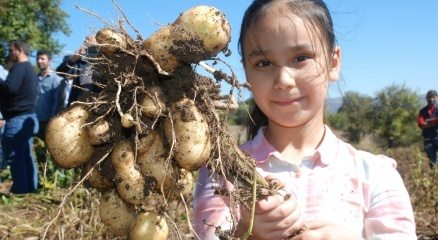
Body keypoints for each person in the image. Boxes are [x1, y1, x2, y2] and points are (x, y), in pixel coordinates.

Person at [193, 0, 416, 239]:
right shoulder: (221, 175)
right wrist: (246, 233)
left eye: (301, 58)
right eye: (263, 63)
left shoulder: (375, 175)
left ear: (333, 62)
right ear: (246, 72)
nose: (283, 80)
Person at [0, 40, 39, 193]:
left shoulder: (19, 68)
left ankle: (20, 190)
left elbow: (10, 88)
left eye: (11, 50)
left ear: (19, 50)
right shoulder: (29, 68)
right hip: (26, 117)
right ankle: (30, 188)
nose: (9, 53)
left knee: (16, 156)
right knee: (26, 155)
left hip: (17, 119)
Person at [56, 35, 96, 106]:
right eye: (87, 43)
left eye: (93, 45)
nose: (90, 47)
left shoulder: (103, 63)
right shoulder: (77, 62)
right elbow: (60, 72)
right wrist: (73, 59)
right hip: (74, 105)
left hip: (94, 105)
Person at [35, 50, 63, 141]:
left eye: (42, 59)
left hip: (48, 123)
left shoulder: (57, 80)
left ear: (49, 61)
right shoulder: (34, 78)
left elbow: (57, 102)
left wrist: (51, 121)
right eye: (38, 59)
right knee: (37, 151)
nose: (39, 61)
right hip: (34, 121)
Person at [417, 89, 438, 168]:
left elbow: (425, 124)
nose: (431, 99)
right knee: (432, 161)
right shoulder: (422, 111)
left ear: (436, 97)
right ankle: (435, 177)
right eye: (429, 97)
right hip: (428, 139)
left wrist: (428, 121)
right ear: (426, 98)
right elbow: (421, 124)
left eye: (433, 97)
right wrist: (435, 121)